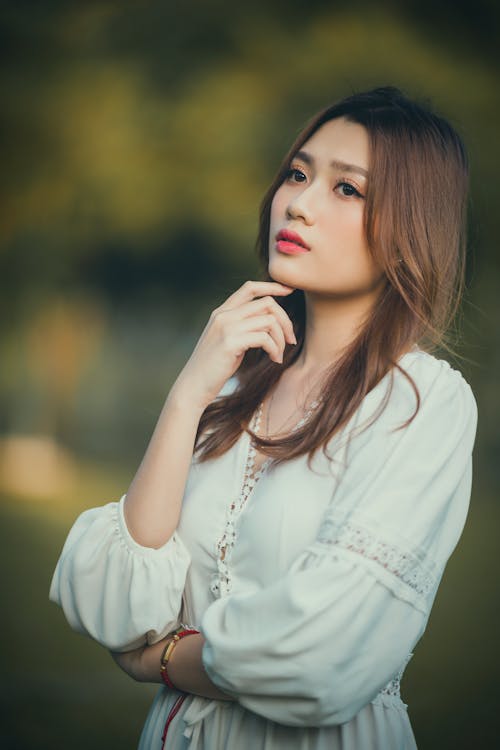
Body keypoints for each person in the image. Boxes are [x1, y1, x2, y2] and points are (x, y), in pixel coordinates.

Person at [49, 86, 477, 749]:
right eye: (299, 174)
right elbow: (123, 603)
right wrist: (190, 390)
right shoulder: (233, 382)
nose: (298, 204)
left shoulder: (423, 401)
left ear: (409, 228)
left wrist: (163, 661)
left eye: (347, 190)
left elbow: (323, 656)